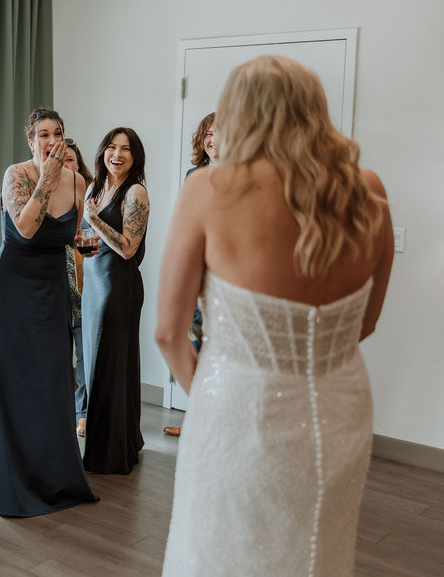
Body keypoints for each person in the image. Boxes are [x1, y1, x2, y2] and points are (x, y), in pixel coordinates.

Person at [156, 55, 393, 575]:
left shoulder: (210, 190)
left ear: (237, 114)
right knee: (317, 549)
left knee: (221, 551)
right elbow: (365, 325)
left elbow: (169, 333)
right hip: (342, 407)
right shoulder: (369, 190)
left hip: (239, 410)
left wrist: (217, 396)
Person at [0, 108, 98, 517]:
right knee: (20, 382)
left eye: (58, 134)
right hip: (16, 287)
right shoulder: (15, 176)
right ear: (30, 141)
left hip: (52, 286)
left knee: (54, 379)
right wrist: (47, 179)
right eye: (43, 134)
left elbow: (69, 234)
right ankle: (23, 480)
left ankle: (58, 477)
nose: (51, 141)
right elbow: (27, 229)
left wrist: (83, 243)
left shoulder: (78, 180)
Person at [80, 128, 149, 474]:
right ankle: (120, 437)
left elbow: (128, 248)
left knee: (111, 366)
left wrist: (93, 221)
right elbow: (92, 240)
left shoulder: (135, 192)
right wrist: (85, 239)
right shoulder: (95, 187)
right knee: (97, 368)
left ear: (135, 157)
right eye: (112, 147)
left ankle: (111, 451)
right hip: (93, 284)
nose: (117, 154)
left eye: (126, 149)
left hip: (117, 287)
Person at [164, 112, 216, 437]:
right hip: (196, 271)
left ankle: (212, 423)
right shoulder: (193, 175)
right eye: (207, 133)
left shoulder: (243, 176)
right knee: (194, 344)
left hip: (223, 272)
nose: (212, 139)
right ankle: (197, 419)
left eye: (219, 132)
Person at [62, 141, 95, 437]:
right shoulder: (45, 194)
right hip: (57, 290)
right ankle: (62, 410)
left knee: (85, 357)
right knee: (60, 357)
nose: (65, 164)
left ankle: (82, 413)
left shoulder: (91, 194)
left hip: (85, 289)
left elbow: (92, 241)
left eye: (70, 159)